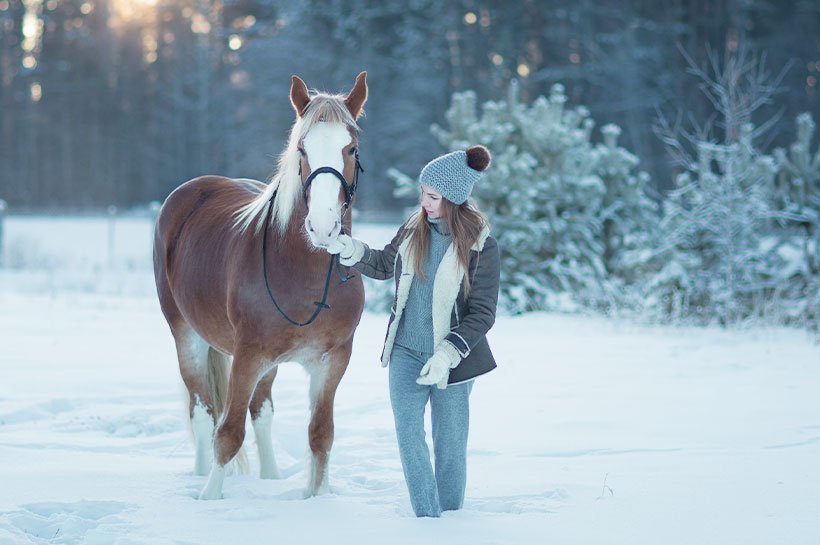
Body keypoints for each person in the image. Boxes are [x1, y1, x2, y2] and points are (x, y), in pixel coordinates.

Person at [327, 145, 501, 518]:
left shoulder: (481, 246)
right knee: (409, 437)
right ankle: (426, 518)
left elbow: (483, 314)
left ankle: (451, 520)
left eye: (433, 196)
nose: (424, 202)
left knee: (450, 444)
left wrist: (446, 355)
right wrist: (352, 249)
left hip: (452, 361)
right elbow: (384, 263)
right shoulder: (413, 228)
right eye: (422, 192)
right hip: (405, 351)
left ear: (453, 198)